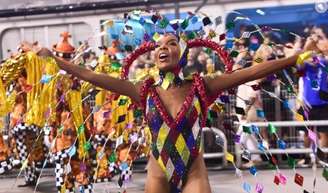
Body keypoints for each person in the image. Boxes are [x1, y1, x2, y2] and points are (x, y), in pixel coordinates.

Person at [39, 33, 319, 193]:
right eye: (159, 45)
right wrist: (55, 60)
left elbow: (252, 71)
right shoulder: (141, 90)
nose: (164, 47)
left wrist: (295, 58)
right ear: (153, 55)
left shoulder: (203, 86)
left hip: (194, 173)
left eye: (172, 43)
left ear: (183, 55)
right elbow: (91, 75)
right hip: (158, 173)